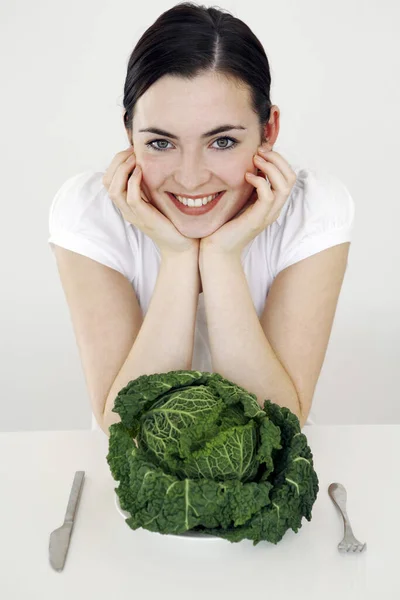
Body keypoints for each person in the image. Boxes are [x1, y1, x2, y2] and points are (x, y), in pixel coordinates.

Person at [48, 2, 355, 436]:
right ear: (129, 133)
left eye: (223, 141)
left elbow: (277, 425)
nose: (190, 178)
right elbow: (124, 426)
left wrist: (222, 257)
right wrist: (176, 258)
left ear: (269, 131)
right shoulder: (90, 213)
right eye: (160, 143)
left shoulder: (313, 211)